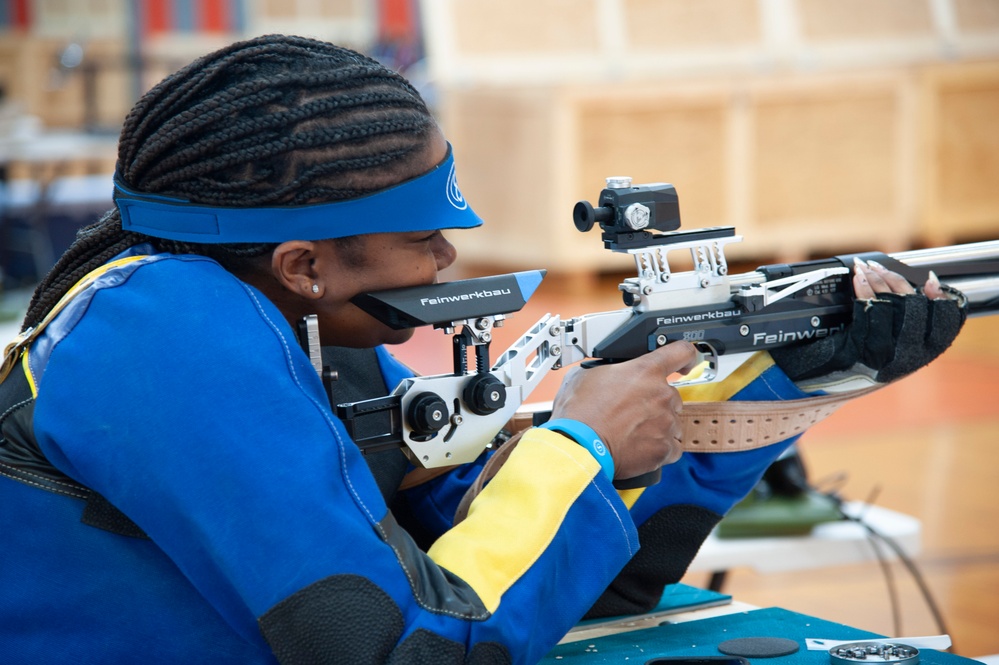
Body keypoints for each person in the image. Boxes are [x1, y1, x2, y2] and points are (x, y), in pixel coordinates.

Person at [0, 35, 965, 664]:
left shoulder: (303, 334)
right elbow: (410, 646)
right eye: (423, 237)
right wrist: (576, 443)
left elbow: (552, 579)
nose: (449, 257)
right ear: (302, 264)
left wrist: (797, 366)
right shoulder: (167, 338)